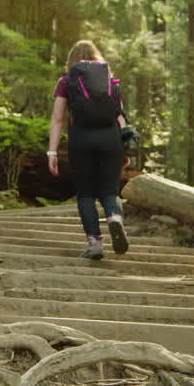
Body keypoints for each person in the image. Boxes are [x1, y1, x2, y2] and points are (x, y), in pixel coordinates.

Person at [46, 40, 130, 259]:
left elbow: (57, 119)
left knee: (85, 194)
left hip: (81, 139)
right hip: (110, 139)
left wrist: (52, 152)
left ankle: (95, 244)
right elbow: (120, 116)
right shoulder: (110, 81)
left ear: (71, 60)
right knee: (110, 191)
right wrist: (125, 149)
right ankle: (114, 217)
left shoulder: (66, 81)